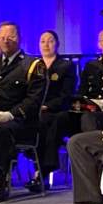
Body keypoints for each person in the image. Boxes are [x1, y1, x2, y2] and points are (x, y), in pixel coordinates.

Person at [0, 21, 46, 202]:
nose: (6, 41)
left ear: (20, 38)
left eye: (11, 37)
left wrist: (11, 114)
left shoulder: (32, 65)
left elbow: (34, 100)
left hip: (22, 122)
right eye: (2, 38)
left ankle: (1, 180)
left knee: (4, 130)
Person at [35, 29, 77, 183]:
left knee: (49, 122)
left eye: (50, 41)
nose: (46, 44)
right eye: (43, 41)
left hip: (59, 111)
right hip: (36, 111)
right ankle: (38, 168)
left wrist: (47, 106)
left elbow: (66, 95)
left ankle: (43, 170)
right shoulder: (34, 66)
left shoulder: (65, 66)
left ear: (57, 44)